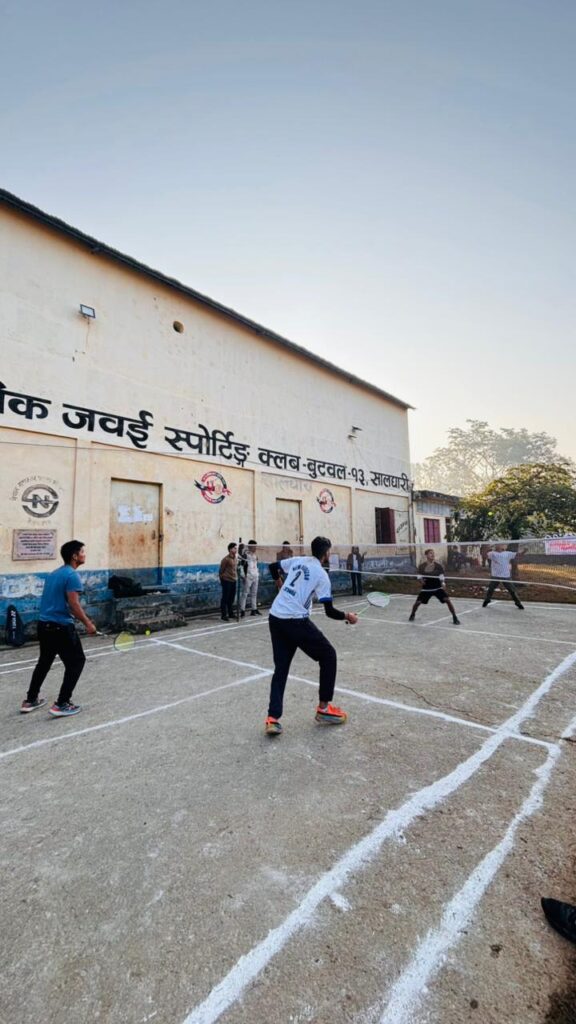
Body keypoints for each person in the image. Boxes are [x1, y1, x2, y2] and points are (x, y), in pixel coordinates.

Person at [264, 536, 357, 735]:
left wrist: (279, 582)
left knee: (281, 668)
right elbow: (329, 611)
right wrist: (347, 616)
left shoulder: (298, 560)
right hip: (295, 621)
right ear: (326, 554)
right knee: (328, 655)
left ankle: (272, 718)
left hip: (276, 617)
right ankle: (324, 709)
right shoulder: (321, 575)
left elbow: (273, 567)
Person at [20, 539, 97, 718]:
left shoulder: (53, 574)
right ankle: (62, 703)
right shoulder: (72, 575)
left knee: (44, 662)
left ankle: (30, 700)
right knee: (76, 662)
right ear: (74, 556)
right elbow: (73, 604)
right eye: (82, 552)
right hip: (60, 627)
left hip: (44, 625)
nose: (84, 554)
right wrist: (88, 623)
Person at [408, 549, 461, 625]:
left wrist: (443, 583)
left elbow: (441, 576)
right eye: (430, 553)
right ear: (426, 555)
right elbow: (419, 576)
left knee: (447, 600)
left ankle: (455, 617)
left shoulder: (438, 566)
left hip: (437, 587)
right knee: (417, 603)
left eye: (433, 553)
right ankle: (412, 614)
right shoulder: (422, 566)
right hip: (426, 588)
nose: (432, 555)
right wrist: (421, 581)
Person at [483, 544, 526, 609]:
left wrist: (524, 551)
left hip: (505, 576)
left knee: (512, 590)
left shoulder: (507, 553)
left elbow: (518, 555)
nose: (499, 546)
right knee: (490, 589)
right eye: (498, 545)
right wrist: (486, 549)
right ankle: (487, 600)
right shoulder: (492, 553)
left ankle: (518, 603)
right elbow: (485, 556)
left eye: (501, 545)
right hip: (495, 576)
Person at [240, 539, 261, 617]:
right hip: (248, 577)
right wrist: (243, 576)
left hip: (255, 576)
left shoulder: (255, 556)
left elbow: (256, 566)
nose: (255, 548)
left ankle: (254, 609)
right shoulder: (245, 555)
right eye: (253, 546)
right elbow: (241, 566)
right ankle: (242, 610)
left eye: (255, 546)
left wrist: (257, 574)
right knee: (245, 594)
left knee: (254, 594)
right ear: (249, 547)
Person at [219, 542, 237, 621]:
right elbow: (221, 571)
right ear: (230, 549)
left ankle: (230, 613)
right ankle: (223, 615)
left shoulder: (235, 558)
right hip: (226, 580)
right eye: (234, 548)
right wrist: (222, 580)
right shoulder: (225, 559)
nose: (236, 550)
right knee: (225, 598)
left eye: (236, 548)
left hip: (233, 580)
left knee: (231, 598)